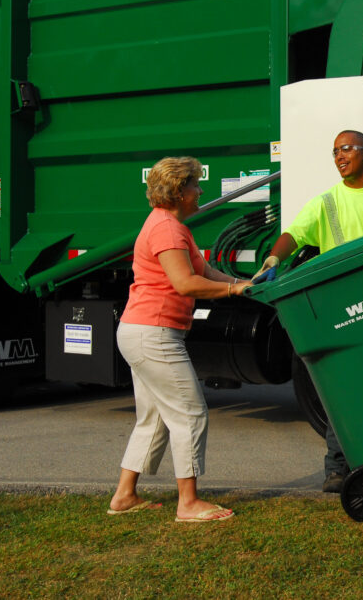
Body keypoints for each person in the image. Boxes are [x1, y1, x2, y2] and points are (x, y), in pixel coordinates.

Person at [255, 130, 363, 493]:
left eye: (347, 149)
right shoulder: (327, 202)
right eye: (335, 151)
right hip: (344, 304)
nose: (339, 156)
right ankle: (337, 468)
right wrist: (275, 256)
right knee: (346, 390)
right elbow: (296, 234)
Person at [109, 156, 251, 522]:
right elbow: (186, 284)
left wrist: (245, 285)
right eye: (195, 185)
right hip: (154, 333)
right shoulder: (168, 229)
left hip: (143, 331)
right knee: (189, 412)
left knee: (154, 417)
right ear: (177, 191)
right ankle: (188, 503)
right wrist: (233, 291)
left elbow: (202, 271)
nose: (199, 191)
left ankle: (124, 496)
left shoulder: (167, 225)